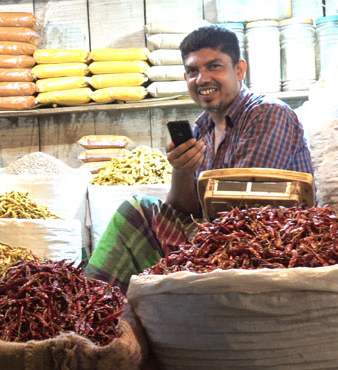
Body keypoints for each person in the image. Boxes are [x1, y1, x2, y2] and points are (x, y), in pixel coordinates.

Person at [85, 25, 313, 293]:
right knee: (137, 210)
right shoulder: (202, 127)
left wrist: (196, 235)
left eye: (214, 67)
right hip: (225, 237)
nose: (202, 79)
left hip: (272, 244)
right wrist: (182, 170)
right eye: (193, 71)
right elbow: (183, 211)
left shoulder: (267, 114)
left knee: (137, 213)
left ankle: (93, 305)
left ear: (239, 70)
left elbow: (244, 213)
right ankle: (97, 306)